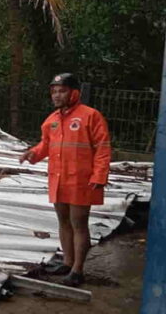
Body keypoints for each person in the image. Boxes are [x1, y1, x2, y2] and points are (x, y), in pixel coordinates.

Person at [19, 73, 111, 287]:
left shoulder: (91, 116)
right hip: (58, 179)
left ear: (74, 92)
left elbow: (103, 149)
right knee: (63, 222)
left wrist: (99, 175)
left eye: (62, 91)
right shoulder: (51, 120)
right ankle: (68, 263)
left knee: (79, 223)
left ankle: (78, 270)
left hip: (82, 180)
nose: (57, 95)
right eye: (54, 92)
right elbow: (45, 145)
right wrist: (32, 153)